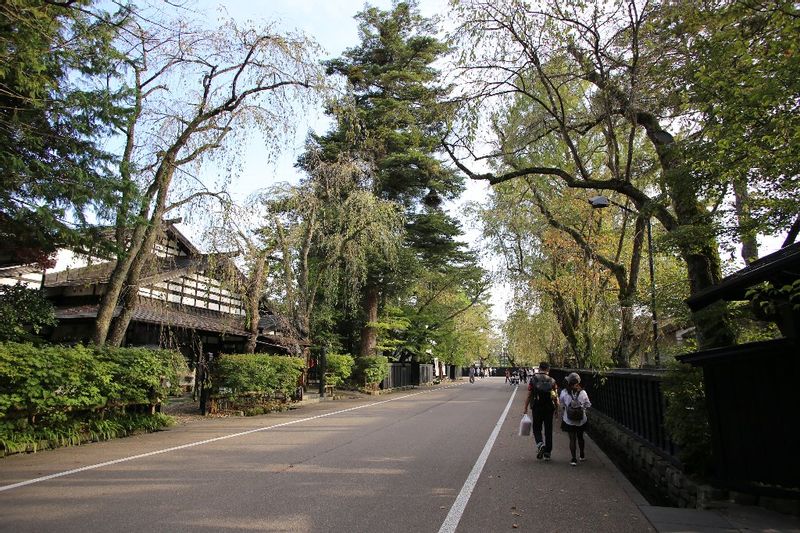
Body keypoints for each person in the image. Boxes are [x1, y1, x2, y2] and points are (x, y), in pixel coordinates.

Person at [523, 361, 558, 461]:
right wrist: (556, 408)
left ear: (539, 368)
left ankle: (540, 444)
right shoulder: (552, 380)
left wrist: (525, 407)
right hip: (549, 408)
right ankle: (547, 453)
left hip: (537, 407)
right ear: (548, 369)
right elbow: (555, 396)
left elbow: (529, 394)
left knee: (536, 428)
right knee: (548, 430)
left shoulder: (533, 379)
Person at [559, 372, 592, 466]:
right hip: (581, 419)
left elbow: (561, 403)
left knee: (572, 439)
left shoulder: (564, 392)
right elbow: (588, 404)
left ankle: (573, 459)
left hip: (568, 419)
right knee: (580, 437)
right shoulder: (582, 392)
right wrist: (581, 407)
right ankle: (582, 455)